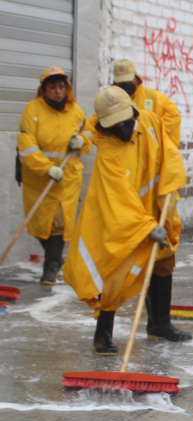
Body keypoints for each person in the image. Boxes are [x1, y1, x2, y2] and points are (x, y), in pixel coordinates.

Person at [63, 86, 191, 355]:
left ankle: (160, 325)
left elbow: (169, 155)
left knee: (163, 261)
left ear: (133, 110)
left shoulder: (151, 121)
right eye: (114, 124)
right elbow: (119, 199)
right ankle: (103, 334)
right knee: (117, 271)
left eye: (124, 119)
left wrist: (168, 186)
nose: (122, 127)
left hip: (158, 206)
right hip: (123, 220)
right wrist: (146, 227)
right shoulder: (108, 151)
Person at [17, 66, 93, 285]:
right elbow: (26, 144)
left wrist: (82, 141)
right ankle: (56, 259)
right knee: (40, 227)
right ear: (43, 90)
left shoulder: (75, 110)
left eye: (61, 86)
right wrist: (47, 168)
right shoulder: (32, 110)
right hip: (39, 178)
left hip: (68, 178)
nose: (58, 91)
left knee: (59, 225)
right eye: (52, 87)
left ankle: (50, 268)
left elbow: (87, 132)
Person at [112, 59, 181, 147]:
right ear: (115, 84)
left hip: (151, 155)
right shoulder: (113, 102)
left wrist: (149, 134)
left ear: (136, 79)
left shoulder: (153, 97)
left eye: (129, 81)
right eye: (121, 82)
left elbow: (174, 116)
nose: (126, 84)